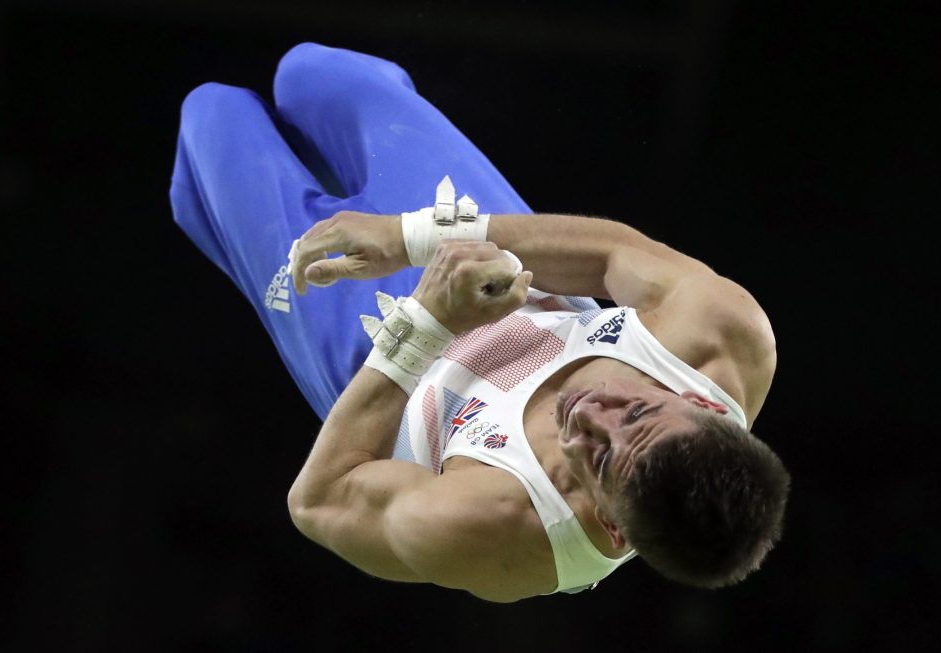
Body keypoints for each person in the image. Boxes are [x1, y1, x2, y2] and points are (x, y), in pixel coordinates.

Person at [169, 42, 790, 603]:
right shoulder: (724, 340)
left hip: (382, 359)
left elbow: (318, 502)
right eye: (637, 413)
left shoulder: (500, 530)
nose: (589, 412)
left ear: (611, 525)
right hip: (491, 264)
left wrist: (427, 323)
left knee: (211, 115)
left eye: (598, 459)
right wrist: (411, 236)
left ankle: (207, 210)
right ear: (705, 405)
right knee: (315, 73)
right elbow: (611, 254)